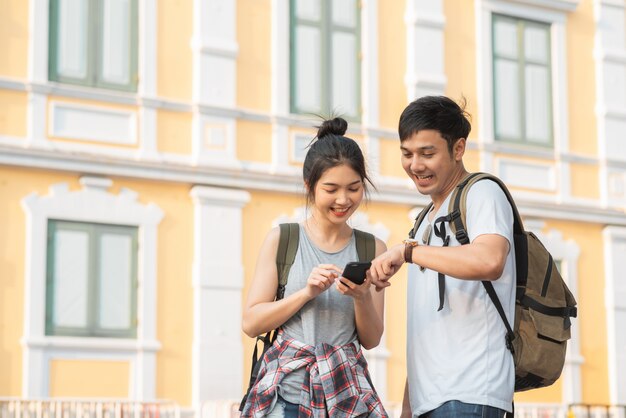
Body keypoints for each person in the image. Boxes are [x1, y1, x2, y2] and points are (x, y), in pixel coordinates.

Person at [368, 96, 515, 418]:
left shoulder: (481, 192)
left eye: (427, 153)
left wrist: (408, 251)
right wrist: (409, 407)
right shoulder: (424, 220)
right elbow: (428, 326)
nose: (415, 165)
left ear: (458, 149)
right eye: (407, 154)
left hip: (471, 391)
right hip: (430, 399)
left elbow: (490, 260)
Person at [241, 117, 389, 418]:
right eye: (331, 189)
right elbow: (251, 322)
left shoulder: (373, 249)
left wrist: (361, 296)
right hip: (286, 397)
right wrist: (306, 293)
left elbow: (371, 339)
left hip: (346, 396)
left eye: (354, 188)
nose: (343, 199)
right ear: (310, 186)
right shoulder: (283, 239)